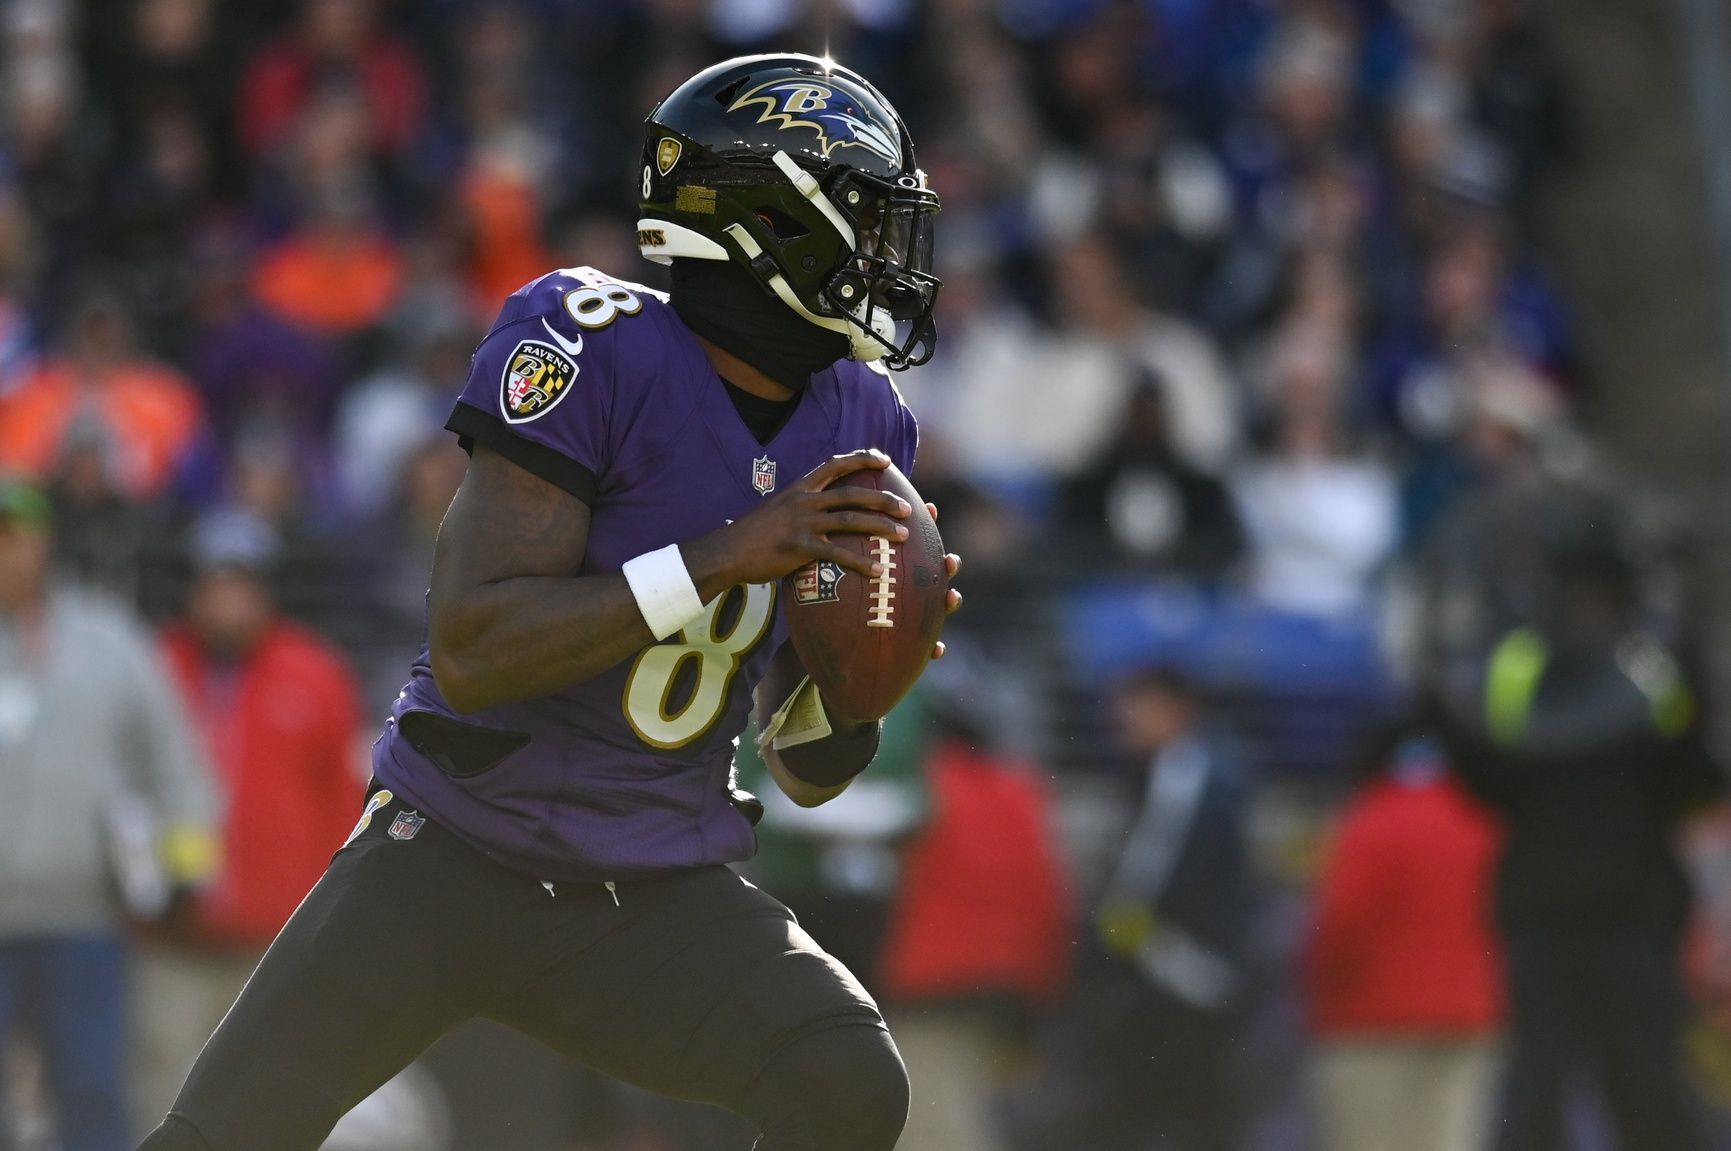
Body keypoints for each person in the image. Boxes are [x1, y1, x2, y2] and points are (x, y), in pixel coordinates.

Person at [139, 53, 960, 1151]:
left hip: (652, 885)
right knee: (219, 1136)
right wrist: (721, 554)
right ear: (773, 222)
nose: (880, 254)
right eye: (859, 217)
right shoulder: (589, 341)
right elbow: (476, 645)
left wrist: (862, 693)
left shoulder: (862, 416)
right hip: (454, 851)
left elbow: (807, 769)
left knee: (847, 1077)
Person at [1426, 538, 1719, 1151]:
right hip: (1548, 918)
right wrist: (1440, 699)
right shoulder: (1524, 670)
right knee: (1537, 1085)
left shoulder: (1652, 672)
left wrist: (1693, 662)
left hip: (1629, 916)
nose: (1588, 608)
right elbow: (1487, 773)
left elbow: (1692, 777)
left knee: (1645, 1080)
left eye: (1600, 594)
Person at [0, 478, 216, 1151]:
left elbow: (174, 762)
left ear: (45, 540)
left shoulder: (110, 640)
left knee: (92, 1089)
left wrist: (184, 868)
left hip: (86, 917)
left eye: (15, 533)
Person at [132, 509, 365, 1132]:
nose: (228, 601)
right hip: (170, 943)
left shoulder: (315, 673)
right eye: (214, 584)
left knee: (272, 1107)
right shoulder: (153, 667)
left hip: (273, 950)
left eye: (242, 584)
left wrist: (330, 927)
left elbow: (343, 813)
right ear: (193, 590)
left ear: (267, 590)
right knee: (159, 1102)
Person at [1013, 666, 1252, 1151]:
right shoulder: (1177, 771)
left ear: (1176, 710)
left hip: (1183, 977)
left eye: (1138, 706)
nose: (1124, 720)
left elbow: (1144, 876)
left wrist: (1104, 939)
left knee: (1164, 1113)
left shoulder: (1181, 772)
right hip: (1181, 977)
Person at [1304, 730, 1503, 1151]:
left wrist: (1322, 996)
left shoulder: (1370, 819)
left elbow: (1340, 923)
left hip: (1370, 1022)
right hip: (1468, 1017)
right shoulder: (1484, 820)